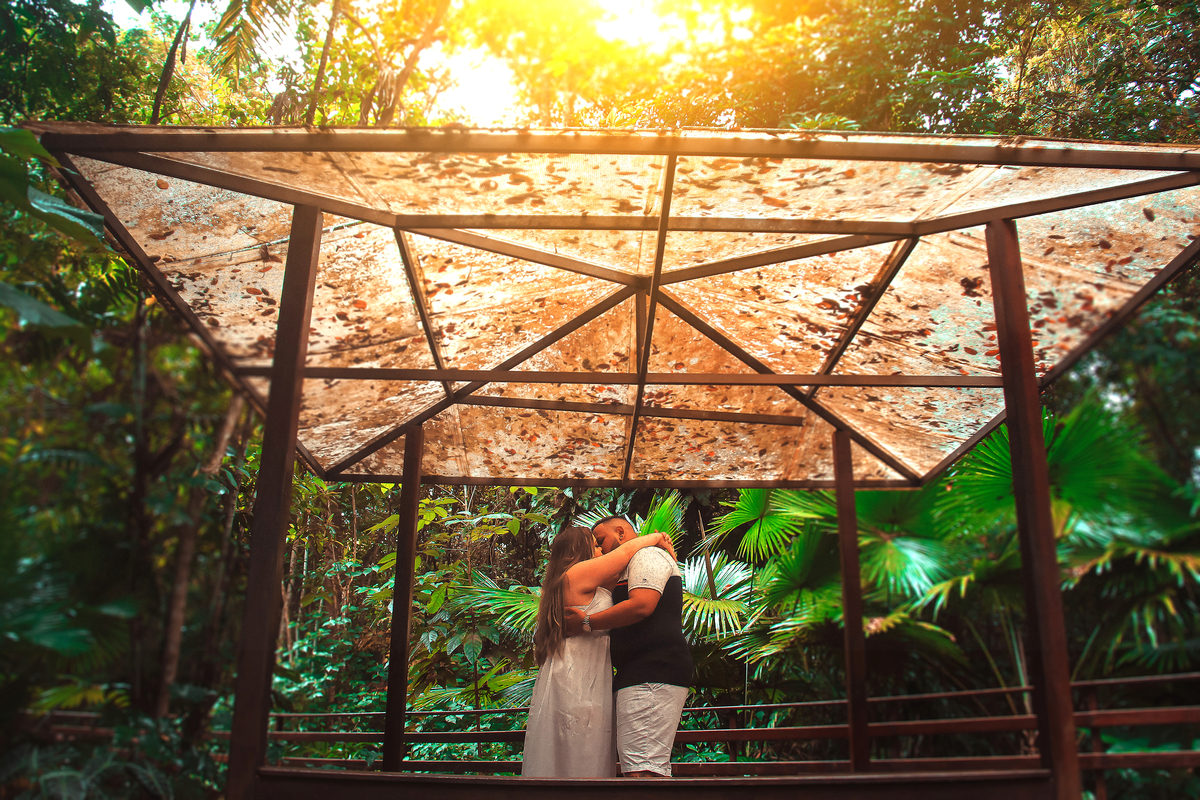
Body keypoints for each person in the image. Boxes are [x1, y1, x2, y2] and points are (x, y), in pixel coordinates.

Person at [521, 525, 673, 777]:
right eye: (594, 544)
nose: (601, 548)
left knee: (575, 746)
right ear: (577, 551)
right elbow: (626, 553)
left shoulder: (574, 580)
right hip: (578, 676)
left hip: (579, 669)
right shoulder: (577, 573)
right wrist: (657, 536)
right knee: (579, 746)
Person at [564, 516, 692, 778]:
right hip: (638, 673)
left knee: (642, 770)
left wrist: (587, 622)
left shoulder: (647, 556)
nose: (599, 549)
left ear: (620, 532)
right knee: (641, 766)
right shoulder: (627, 566)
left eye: (601, 541)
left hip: (653, 671)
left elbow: (642, 605)